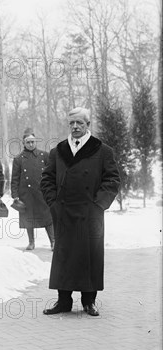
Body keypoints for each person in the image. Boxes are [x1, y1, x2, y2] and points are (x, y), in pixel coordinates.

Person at [41, 107, 120, 317]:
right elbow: (47, 179)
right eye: (72, 123)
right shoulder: (58, 151)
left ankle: (89, 302)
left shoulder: (103, 151)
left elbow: (112, 180)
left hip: (90, 213)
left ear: (88, 125)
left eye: (80, 123)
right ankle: (63, 301)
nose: (75, 127)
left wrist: (99, 205)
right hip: (64, 212)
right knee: (64, 256)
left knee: (89, 256)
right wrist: (53, 203)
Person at [11, 128, 54, 250]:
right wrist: (15, 195)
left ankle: (53, 241)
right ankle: (31, 242)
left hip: (42, 193)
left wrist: (52, 189)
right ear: (24, 143)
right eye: (28, 142)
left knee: (48, 218)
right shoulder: (18, 159)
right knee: (28, 218)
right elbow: (15, 178)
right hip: (26, 194)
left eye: (32, 142)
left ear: (36, 142)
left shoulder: (44, 155)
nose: (31, 144)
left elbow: (51, 174)